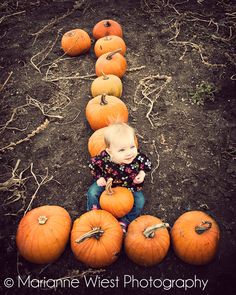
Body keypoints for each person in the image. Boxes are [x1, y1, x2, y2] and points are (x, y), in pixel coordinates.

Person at [86, 123, 152, 233]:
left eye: (132, 147)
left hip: (130, 185)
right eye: (122, 150)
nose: (129, 153)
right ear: (110, 151)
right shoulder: (104, 158)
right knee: (92, 192)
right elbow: (93, 165)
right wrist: (99, 178)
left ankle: (125, 220)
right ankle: (94, 213)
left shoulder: (137, 157)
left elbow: (146, 163)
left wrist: (142, 173)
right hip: (108, 184)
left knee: (140, 201)